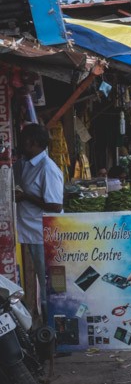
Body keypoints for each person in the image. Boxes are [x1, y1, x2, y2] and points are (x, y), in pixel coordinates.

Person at [13, 123, 64, 324]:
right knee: (39, 283)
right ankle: (45, 329)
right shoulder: (24, 163)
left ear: (32, 142)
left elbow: (55, 206)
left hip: (43, 234)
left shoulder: (47, 168)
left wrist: (25, 196)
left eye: (24, 140)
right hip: (28, 233)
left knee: (49, 285)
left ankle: (54, 331)